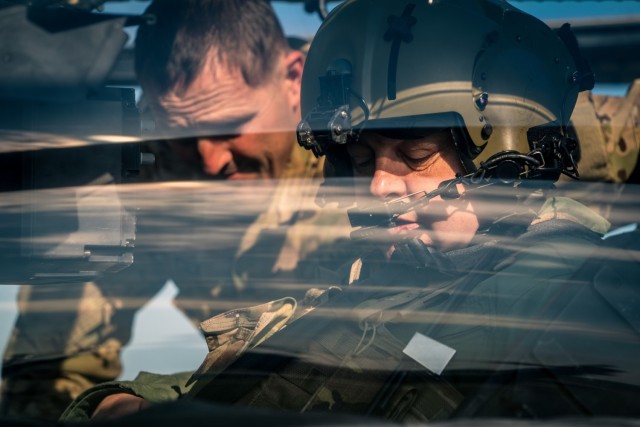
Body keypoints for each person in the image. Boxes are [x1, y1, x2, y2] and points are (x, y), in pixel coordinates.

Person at [61, 0, 640, 423]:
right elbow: (78, 347)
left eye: (414, 155)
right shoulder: (169, 193)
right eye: (360, 160)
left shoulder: (567, 304)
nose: (380, 187)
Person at [1, 0, 350, 421]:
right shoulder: (137, 177)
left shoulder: (368, 149)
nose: (209, 160)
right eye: (183, 134)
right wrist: (103, 410)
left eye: (228, 126)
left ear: (294, 79)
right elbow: (50, 367)